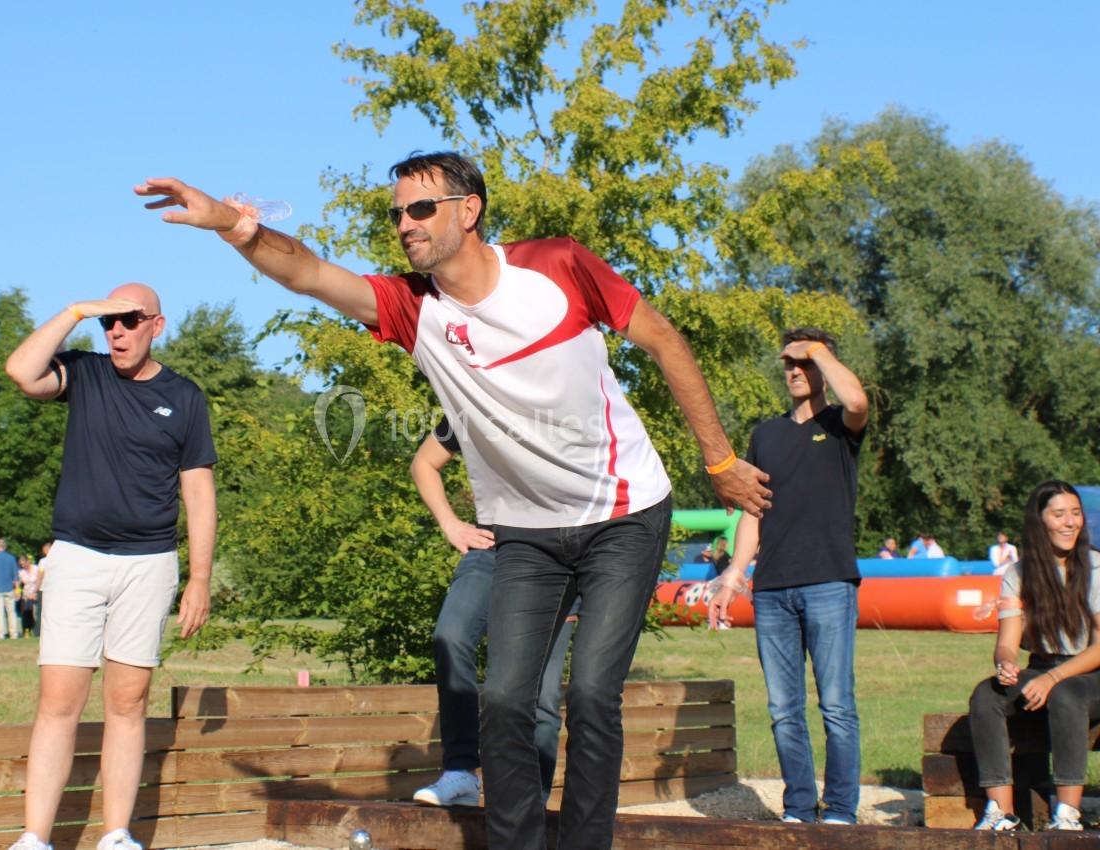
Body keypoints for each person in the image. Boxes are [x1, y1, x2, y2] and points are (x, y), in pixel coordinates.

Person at [136, 154, 770, 850]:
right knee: (504, 699)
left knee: (592, 693)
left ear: (469, 210)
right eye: (397, 214)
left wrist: (720, 460)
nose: (404, 225)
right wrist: (232, 226)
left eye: (420, 209)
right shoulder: (413, 308)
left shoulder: (558, 265)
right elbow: (308, 273)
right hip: (526, 533)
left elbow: (664, 340)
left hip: (623, 513)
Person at [3, 281, 217, 850]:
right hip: (77, 558)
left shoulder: (184, 397)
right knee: (59, 702)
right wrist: (76, 312)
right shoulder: (85, 372)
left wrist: (199, 578)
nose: (117, 332)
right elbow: (22, 372)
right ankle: (35, 838)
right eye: (109, 322)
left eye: (130, 321)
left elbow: (198, 491)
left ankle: (116, 835)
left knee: (127, 703)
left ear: (157, 326)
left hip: (149, 563)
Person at [708, 327, 869, 825]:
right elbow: (753, 512)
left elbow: (857, 399)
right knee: (783, 710)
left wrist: (815, 349)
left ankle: (840, 810)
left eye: (806, 363)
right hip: (773, 589)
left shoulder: (840, 426)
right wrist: (733, 576)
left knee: (836, 705)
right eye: (789, 363)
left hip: (829, 582)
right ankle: (799, 807)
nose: (795, 370)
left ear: (824, 365)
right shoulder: (766, 435)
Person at [410, 417, 574, 808]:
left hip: (558, 560)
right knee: (450, 636)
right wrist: (451, 524)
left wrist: (583, 583)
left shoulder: (563, 407)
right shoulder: (471, 404)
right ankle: (461, 772)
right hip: (492, 549)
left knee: (542, 692)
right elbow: (424, 463)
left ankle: (530, 805)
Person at [967, 481, 1100, 832]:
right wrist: (1005, 664)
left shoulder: (1096, 567)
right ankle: (1001, 812)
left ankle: (1068, 814)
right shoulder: (1018, 573)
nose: (1070, 522)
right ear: (1039, 521)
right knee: (986, 694)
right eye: (1059, 514)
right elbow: (1007, 643)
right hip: (1042, 667)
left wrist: (1054, 679)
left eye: (1075, 514)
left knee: (1067, 694)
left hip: (1091, 674)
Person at [18, 553, 40, 637]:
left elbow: (40, 580)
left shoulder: (36, 569)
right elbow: (18, 585)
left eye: (24, 563)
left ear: (28, 561)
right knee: (27, 614)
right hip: (26, 596)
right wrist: (18, 592)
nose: (23, 566)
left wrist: (35, 592)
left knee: (36, 614)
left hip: (36, 594)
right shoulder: (21, 572)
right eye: (21, 564)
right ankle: (27, 630)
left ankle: (37, 631)